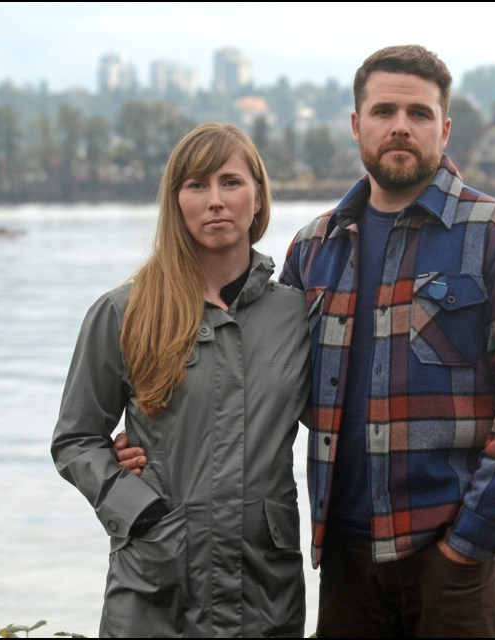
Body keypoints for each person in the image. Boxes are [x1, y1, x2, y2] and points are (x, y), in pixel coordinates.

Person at [119, 44, 495, 638]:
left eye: (419, 114)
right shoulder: (313, 249)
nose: (400, 127)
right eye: (383, 112)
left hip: (458, 557)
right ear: (357, 125)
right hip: (349, 556)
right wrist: (158, 434)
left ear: (444, 128)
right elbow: (262, 385)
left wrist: (471, 541)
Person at [51, 122, 310, 638]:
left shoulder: (296, 314)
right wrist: (139, 510)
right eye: (197, 186)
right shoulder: (124, 311)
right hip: (155, 583)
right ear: (176, 203)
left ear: (257, 197)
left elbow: (336, 421)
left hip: (264, 584)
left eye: (231, 182)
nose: (216, 200)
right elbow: (77, 440)